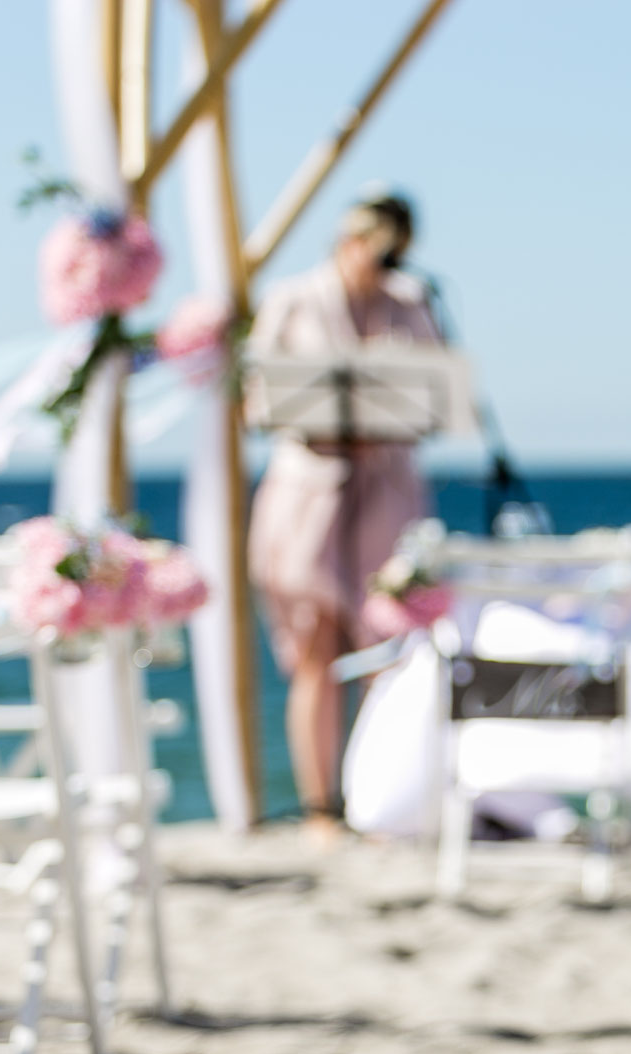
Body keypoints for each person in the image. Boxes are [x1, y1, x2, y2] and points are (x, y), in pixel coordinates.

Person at [247, 190, 442, 839]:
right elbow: (254, 399)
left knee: (386, 645)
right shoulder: (293, 297)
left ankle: (378, 800)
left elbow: (439, 396)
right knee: (314, 646)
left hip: (386, 489)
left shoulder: (412, 301)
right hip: (309, 490)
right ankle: (319, 805)